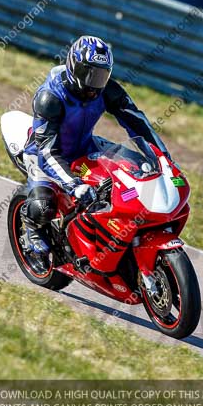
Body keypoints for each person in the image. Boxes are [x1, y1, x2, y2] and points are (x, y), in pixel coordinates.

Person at [21, 35, 169, 271]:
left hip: (85, 147)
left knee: (137, 168)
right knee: (43, 206)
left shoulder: (107, 90)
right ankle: (32, 233)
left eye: (101, 76)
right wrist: (74, 184)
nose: (95, 83)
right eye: (89, 74)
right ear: (74, 67)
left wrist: (162, 157)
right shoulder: (51, 97)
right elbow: (47, 150)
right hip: (43, 154)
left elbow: (138, 122)